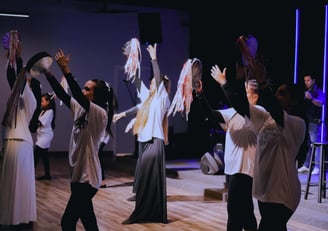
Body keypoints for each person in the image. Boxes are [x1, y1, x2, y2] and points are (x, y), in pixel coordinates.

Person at [211, 64, 306, 231]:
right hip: (266, 193)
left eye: (282, 93)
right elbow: (240, 105)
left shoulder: (297, 123)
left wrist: (262, 83)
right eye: (276, 92)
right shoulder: (265, 117)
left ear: (294, 100)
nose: (277, 95)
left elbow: (275, 110)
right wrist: (224, 83)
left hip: (283, 193)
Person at [42, 48, 117, 231]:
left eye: (87, 89)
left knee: (67, 222)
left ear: (96, 95)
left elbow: (75, 93)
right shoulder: (81, 108)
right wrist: (48, 73)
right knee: (89, 223)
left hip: (88, 178)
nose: (83, 91)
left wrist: (66, 70)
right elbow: (63, 95)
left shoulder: (100, 113)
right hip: (78, 176)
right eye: (84, 88)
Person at [193, 78, 262, 231]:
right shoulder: (231, 113)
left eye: (246, 92)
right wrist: (199, 94)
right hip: (231, 171)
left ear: (255, 96)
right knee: (246, 212)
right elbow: (210, 114)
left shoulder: (258, 114)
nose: (241, 95)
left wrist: (225, 83)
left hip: (243, 171)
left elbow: (239, 104)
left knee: (234, 213)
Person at [118, 43, 170, 224]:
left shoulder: (163, 97)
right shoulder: (149, 97)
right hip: (145, 140)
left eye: (155, 82)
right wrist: (130, 59)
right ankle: (145, 212)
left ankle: (149, 213)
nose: (152, 83)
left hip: (155, 141)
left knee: (149, 178)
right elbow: (135, 79)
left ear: (161, 85)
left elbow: (157, 76)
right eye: (151, 82)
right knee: (144, 178)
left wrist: (154, 59)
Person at [0, 33, 41, 228]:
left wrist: (17, 58)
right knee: (11, 185)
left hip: (20, 143)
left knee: (18, 185)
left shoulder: (28, 97)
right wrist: (11, 56)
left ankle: (20, 219)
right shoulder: (17, 97)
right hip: (13, 142)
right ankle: (14, 218)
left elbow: (16, 79)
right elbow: (14, 79)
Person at [298, 74, 325, 175]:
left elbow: (321, 103)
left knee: (315, 144)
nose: (306, 82)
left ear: (313, 80)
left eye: (308, 80)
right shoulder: (307, 91)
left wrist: (311, 98)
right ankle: (307, 164)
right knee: (309, 144)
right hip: (307, 121)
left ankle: (317, 166)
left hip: (314, 121)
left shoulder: (318, 92)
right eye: (305, 80)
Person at [34, 92, 56, 180]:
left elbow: (40, 122)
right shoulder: (43, 111)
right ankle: (47, 175)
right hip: (41, 135)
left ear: (48, 102)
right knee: (44, 155)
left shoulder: (50, 111)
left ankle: (29, 172)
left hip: (46, 136)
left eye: (42, 101)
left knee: (36, 154)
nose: (41, 102)